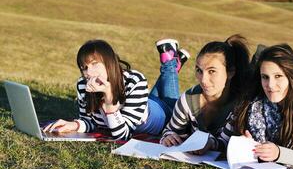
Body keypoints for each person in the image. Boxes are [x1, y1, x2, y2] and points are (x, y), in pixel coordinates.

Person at [44, 39, 190, 140]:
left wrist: (109, 99)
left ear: (109, 63)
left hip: (161, 113)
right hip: (140, 104)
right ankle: (174, 63)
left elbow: (123, 135)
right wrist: (74, 124)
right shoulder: (83, 85)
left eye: (94, 64)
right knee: (160, 89)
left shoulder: (134, 80)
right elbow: (90, 122)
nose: (88, 72)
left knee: (171, 102)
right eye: (84, 67)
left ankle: (170, 63)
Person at [214, 44, 293, 167]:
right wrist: (242, 144)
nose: (270, 85)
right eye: (265, 77)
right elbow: (224, 138)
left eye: (278, 76)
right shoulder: (251, 97)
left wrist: (278, 153)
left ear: (292, 76)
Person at [160, 34, 251, 154]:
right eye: (199, 70)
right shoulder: (187, 99)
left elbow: (226, 144)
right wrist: (169, 137)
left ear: (230, 72)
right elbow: (171, 130)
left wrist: (210, 143)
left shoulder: (239, 105)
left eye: (212, 71)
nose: (203, 80)